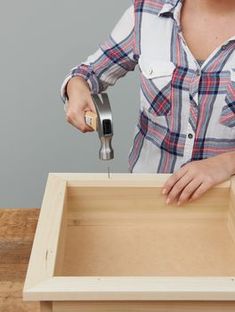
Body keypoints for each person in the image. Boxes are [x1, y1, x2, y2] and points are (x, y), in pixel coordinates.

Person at [60, 0, 235, 206]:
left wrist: (228, 163)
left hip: (225, 205)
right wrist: (76, 87)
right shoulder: (146, 12)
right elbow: (86, 73)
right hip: (148, 197)